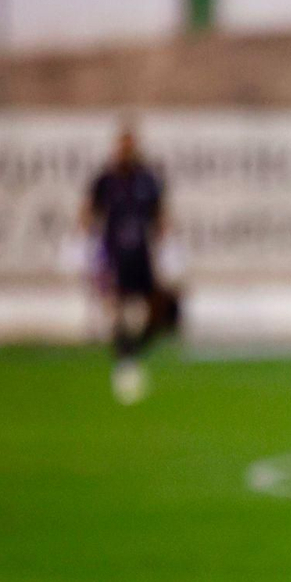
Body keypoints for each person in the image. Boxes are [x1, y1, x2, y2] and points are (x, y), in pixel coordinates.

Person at [83, 124, 168, 404]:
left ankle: (132, 349)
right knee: (117, 303)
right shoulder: (106, 179)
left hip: (141, 251)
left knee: (149, 305)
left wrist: (164, 241)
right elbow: (89, 210)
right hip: (114, 251)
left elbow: (160, 213)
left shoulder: (146, 178)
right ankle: (123, 355)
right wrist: (89, 241)